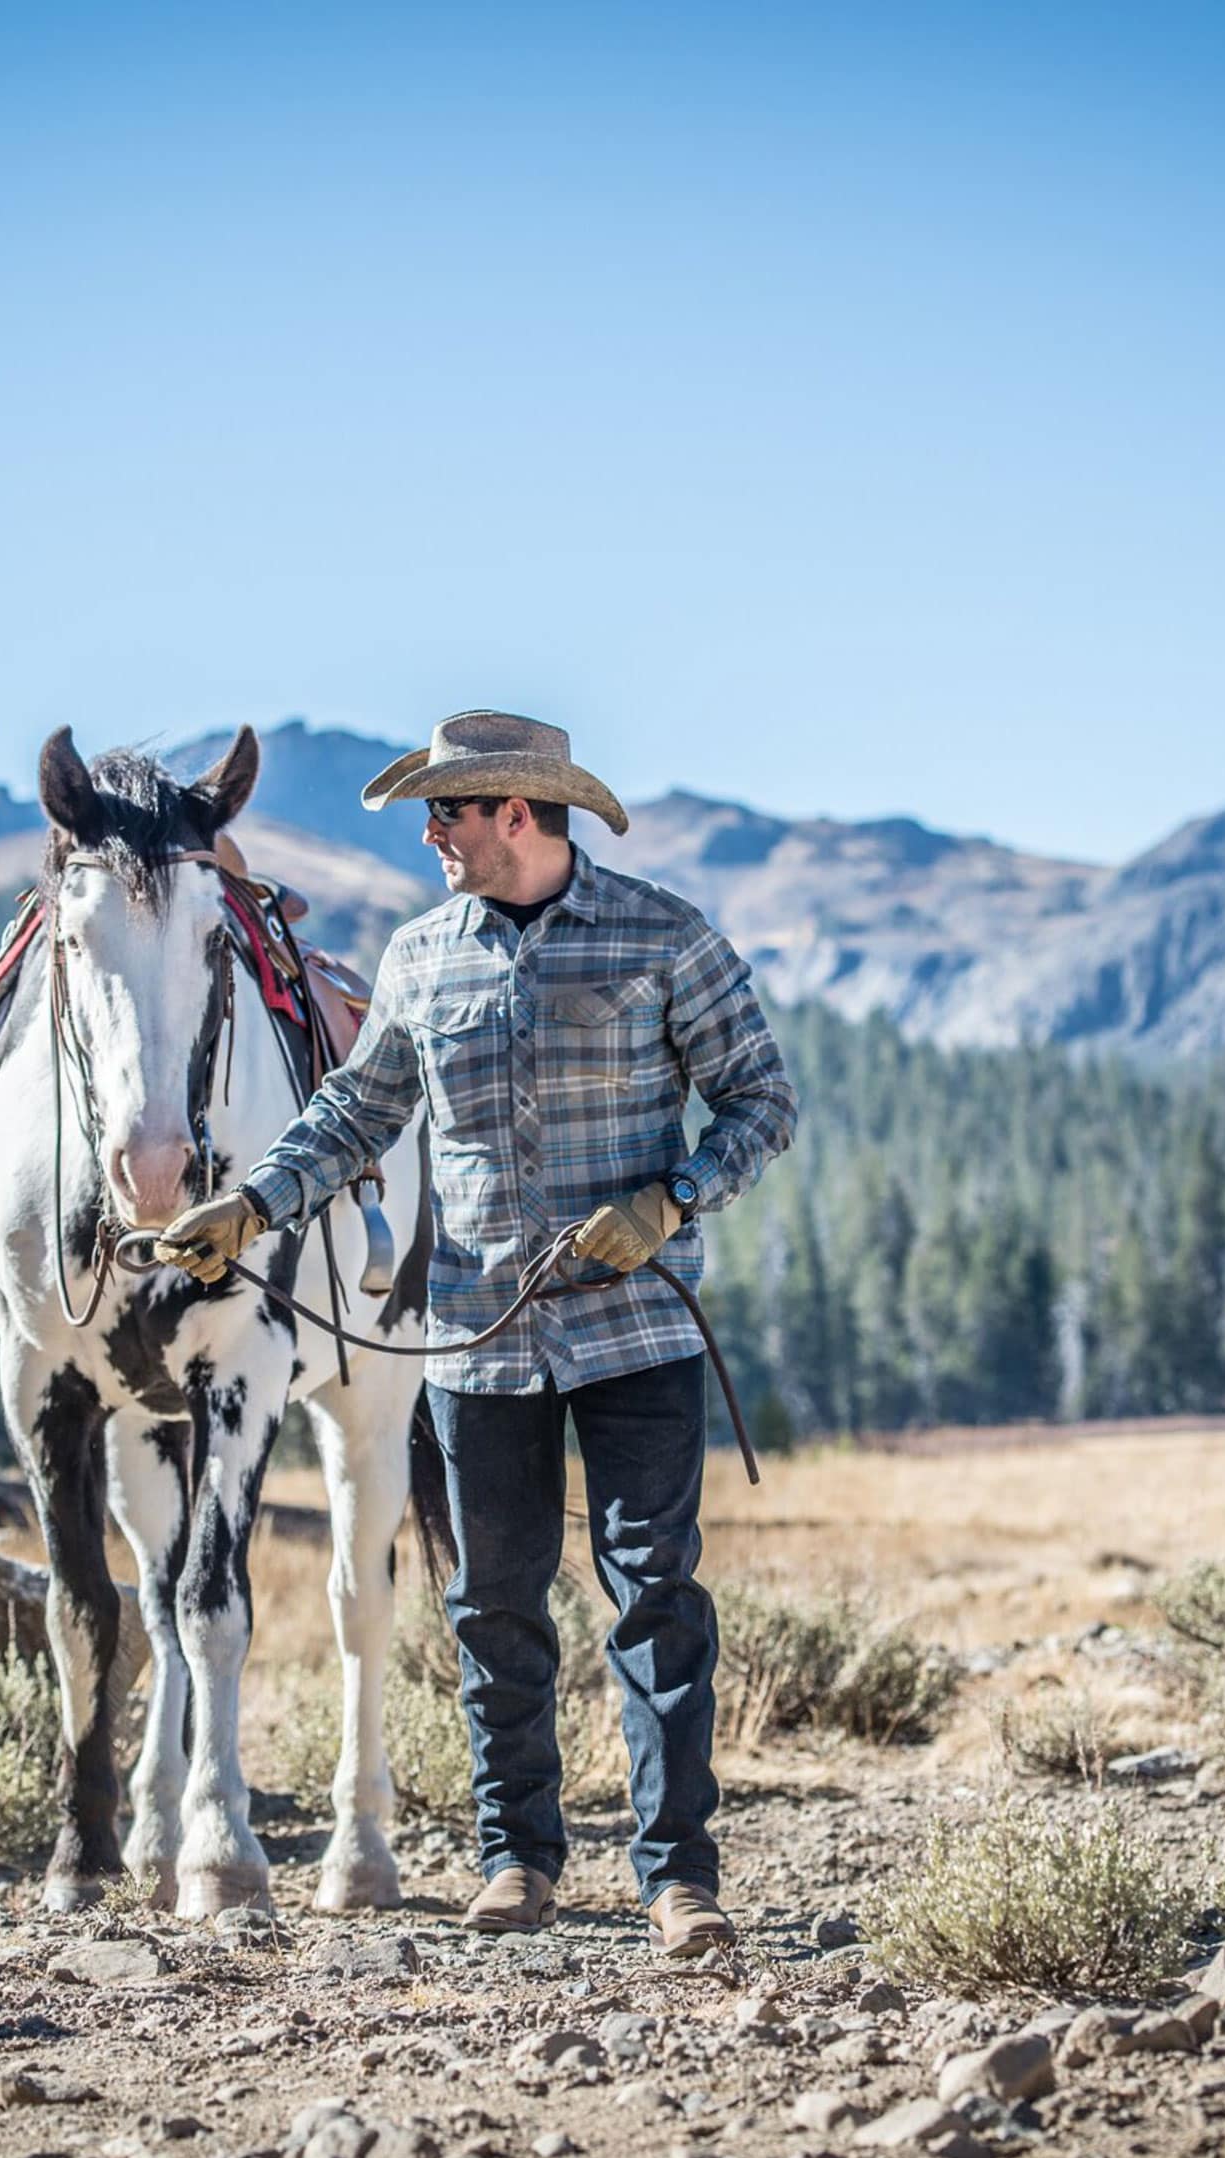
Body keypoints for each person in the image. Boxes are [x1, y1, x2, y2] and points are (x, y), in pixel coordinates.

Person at [155, 709, 796, 1955]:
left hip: (638, 1335)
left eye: (446, 811)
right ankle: (520, 1863)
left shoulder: (665, 935)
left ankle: (678, 1880)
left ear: (518, 812)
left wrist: (671, 1199)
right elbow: (358, 1111)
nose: (430, 834)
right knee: (490, 1607)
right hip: (474, 1342)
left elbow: (763, 1103)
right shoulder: (418, 958)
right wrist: (254, 1204)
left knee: (655, 1595)